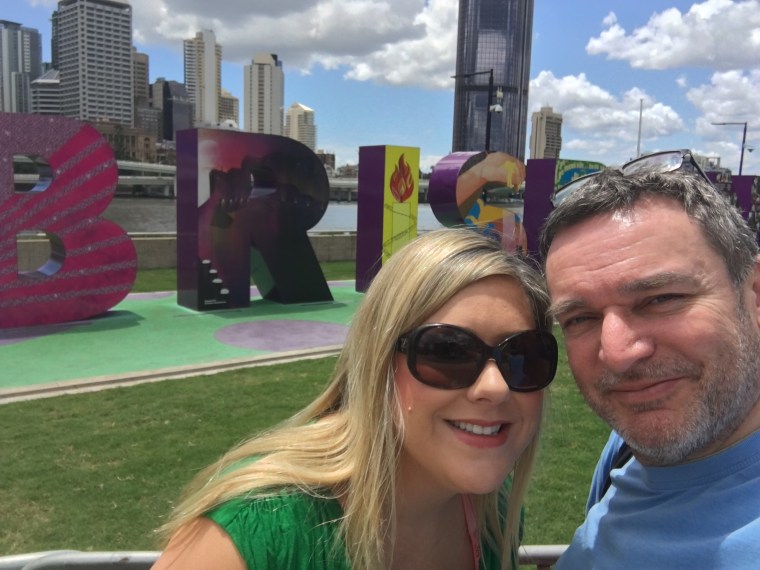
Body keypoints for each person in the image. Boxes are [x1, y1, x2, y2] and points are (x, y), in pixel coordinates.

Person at [152, 227, 558, 570]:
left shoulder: (495, 515)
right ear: (378, 362)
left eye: (522, 355)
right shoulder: (255, 535)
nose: (495, 386)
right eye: (448, 351)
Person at [539, 165, 760, 569]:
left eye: (660, 299)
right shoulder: (625, 450)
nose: (617, 353)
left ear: (755, 294)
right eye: (580, 318)